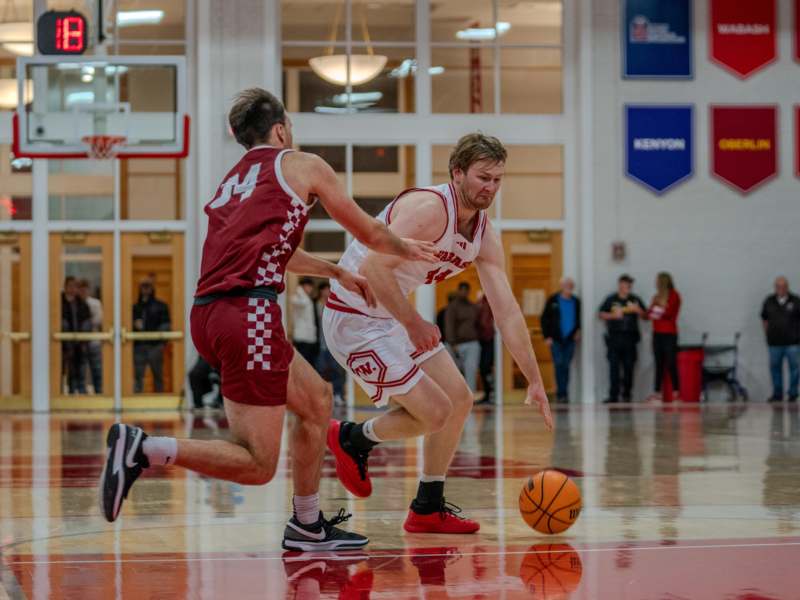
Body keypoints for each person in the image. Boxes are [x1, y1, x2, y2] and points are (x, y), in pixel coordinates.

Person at [98, 88, 436, 552]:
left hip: (211, 314)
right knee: (258, 464)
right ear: (280, 129)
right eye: (289, 127)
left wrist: (334, 270)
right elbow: (368, 229)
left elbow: (275, 250)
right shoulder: (301, 164)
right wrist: (407, 248)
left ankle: (306, 524)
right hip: (248, 313)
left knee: (317, 400)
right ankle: (144, 449)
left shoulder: (233, 180)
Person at [323, 132, 553, 535]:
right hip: (354, 315)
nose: (491, 188)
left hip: (391, 317)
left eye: (498, 179)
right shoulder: (430, 208)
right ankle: (351, 438)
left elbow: (508, 312)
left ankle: (427, 506)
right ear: (457, 172)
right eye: (484, 177)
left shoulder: (483, 233)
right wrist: (414, 323)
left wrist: (534, 379)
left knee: (460, 399)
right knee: (434, 411)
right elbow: (374, 270)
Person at [598, 274, 646, 403]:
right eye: (626, 283)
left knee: (629, 367)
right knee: (613, 368)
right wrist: (613, 316)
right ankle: (613, 395)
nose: (629, 286)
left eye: (630, 284)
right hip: (614, 338)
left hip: (630, 338)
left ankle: (627, 394)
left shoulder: (635, 299)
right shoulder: (611, 299)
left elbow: (646, 315)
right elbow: (600, 313)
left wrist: (638, 310)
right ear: (620, 284)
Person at [541, 277, 582, 403]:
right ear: (562, 286)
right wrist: (547, 336)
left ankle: (564, 393)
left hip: (570, 339)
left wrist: (578, 331)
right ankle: (561, 393)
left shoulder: (576, 301)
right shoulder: (553, 300)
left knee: (566, 366)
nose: (568, 287)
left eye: (571, 285)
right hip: (555, 339)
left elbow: (579, 319)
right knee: (559, 365)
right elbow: (544, 319)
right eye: (566, 285)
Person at [761, 276, 800, 402]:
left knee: (795, 368)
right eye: (778, 286)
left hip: (793, 343)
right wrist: (768, 335)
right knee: (775, 369)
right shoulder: (769, 301)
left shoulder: (796, 301)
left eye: (783, 286)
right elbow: (764, 319)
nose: (781, 289)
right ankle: (777, 394)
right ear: (775, 287)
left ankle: (793, 393)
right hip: (774, 343)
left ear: (787, 287)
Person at [646, 272, 682, 403]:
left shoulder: (674, 295)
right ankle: (657, 393)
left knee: (671, 362)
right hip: (657, 333)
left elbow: (669, 313)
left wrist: (658, 309)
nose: (655, 283)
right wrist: (658, 309)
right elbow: (649, 314)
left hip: (669, 334)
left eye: (657, 280)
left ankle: (676, 392)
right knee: (658, 363)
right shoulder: (656, 297)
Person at [132, 277, 171, 393]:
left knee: (158, 376)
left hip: (155, 346)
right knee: (138, 377)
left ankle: (161, 401)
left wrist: (161, 344)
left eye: (147, 286)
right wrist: (135, 325)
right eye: (143, 286)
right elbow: (127, 326)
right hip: (139, 346)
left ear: (152, 288)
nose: (145, 289)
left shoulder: (161, 306)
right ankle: (136, 401)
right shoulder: (135, 307)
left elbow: (166, 325)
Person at [445, 282, 481, 393]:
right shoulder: (452, 307)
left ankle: (471, 396)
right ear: (459, 291)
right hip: (455, 344)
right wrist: (452, 343)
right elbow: (449, 325)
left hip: (472, 343)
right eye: (462, 290)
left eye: (466, 290)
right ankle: (455, 395)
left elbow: (478, 324)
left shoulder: (473, 306)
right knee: (454, 372)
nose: (464, 292)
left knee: (471, 369)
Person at [315, 282, 345, 406]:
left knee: (336, 371)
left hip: (333, 345)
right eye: (324, 289)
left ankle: (338, 395)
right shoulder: (316, 305)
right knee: (320, 371)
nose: (326, 292)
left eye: (328, 289)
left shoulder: (335, 306)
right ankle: (321, 397)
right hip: (319, 344)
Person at [61, 276, 91, 394]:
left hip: (79, 344)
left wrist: (83, 339)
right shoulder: (60, 302)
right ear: (65, 287)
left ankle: (81, 395)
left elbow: (87, 322)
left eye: (75, 286)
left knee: (80, 372)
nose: (73, 288)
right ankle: (68, 394)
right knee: (67, 373)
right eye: (70, 285)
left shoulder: (81, 303)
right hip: (63, 344)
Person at [78, 279, 103, 394]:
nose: (83, 291)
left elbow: (98, 320)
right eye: (81, 289)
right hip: (80, 343)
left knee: (97, 371)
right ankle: (82, 394)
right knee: (81, 371)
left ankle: (99, 393)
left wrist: (87, 322)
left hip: (94, 341)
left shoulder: (95, 303)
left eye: (85, 288)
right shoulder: (75, 303)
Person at [292, 277, 319, 366]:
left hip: (309, 337)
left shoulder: (308, 299)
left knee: (309, 364)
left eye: (311, 287)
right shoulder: (298, 298)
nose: (310, 289)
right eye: (308, 286)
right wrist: (300, 290)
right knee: (303, 364)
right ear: (302, 286)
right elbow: (301, 303)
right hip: (302, 337)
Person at [476, 291, 495, 404]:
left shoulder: (487, 305)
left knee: (485, 367)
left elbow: (485, 324)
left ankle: (490, 393)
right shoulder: (481, 306)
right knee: (485, 368)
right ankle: (489, 393)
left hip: (489, 340)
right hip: (484, 340)